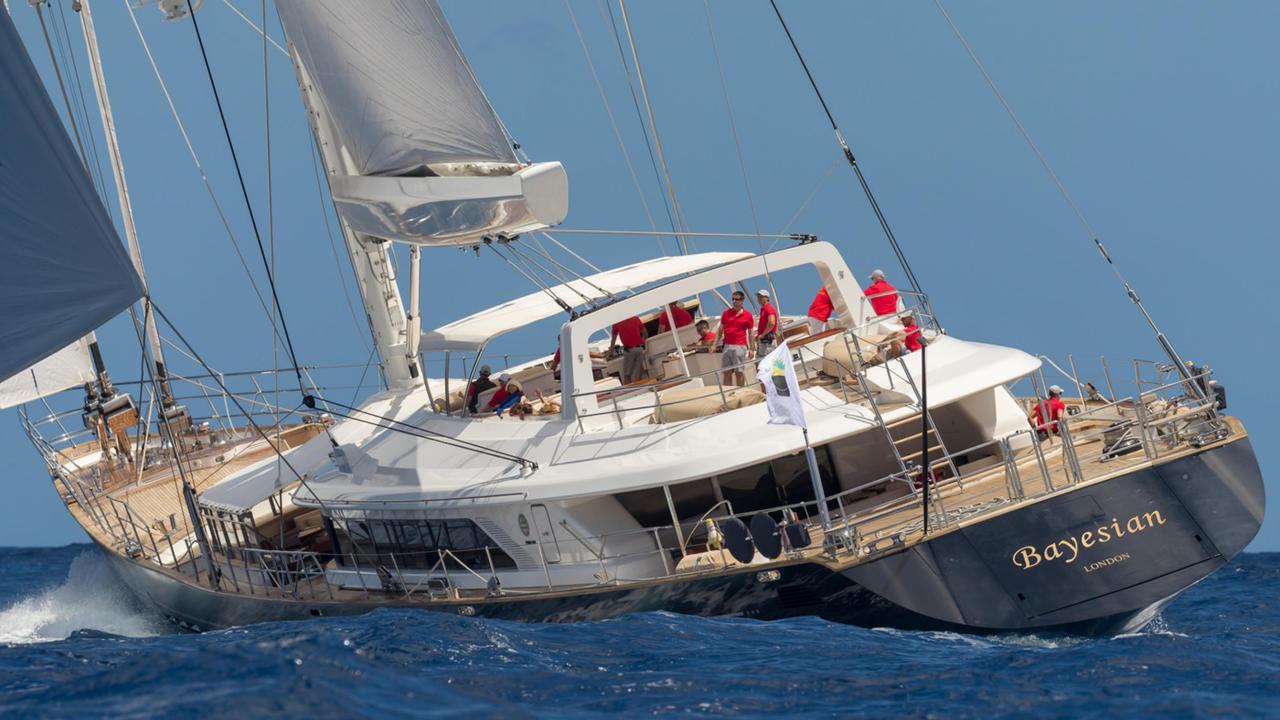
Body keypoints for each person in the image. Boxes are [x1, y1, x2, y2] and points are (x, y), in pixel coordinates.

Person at [718, 291, 754, 386]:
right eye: (733, 299)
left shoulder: (748, 315)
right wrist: (714, 344)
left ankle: (740, 392)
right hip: (727, 346)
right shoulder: (726, 313)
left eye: (736, 299)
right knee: (727, 373)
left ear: (742, 301)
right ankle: (728, 395)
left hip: (740, 346)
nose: (734, 301)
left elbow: (751, 334)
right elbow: (720, 329)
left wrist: (751, 349)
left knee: (739, 372)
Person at [610, 314, 649, 384]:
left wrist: (609, 354)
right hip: (639, 349)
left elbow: (613, 340)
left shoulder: (616, 323)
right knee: (638, 374)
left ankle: (630, 391)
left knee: (627, 375)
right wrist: (641, 343)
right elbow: (645, 334)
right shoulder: (635, 318)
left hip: (629, 351)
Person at [756, 289, 779, 357]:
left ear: (767, 298)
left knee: (766, 362)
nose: (758, 298)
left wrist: (762, 335)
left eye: (761, 296)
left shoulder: (768, 308)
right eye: (758, 296)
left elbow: (772, 322)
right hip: (765, 341)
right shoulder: (764, 309)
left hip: (767, 342)